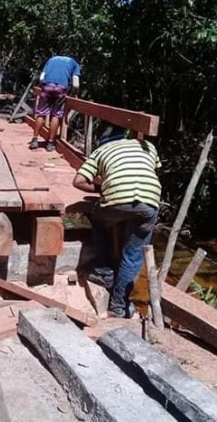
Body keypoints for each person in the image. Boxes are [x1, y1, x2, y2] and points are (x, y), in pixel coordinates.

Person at [72, 128, 161, 318]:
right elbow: (151, 170)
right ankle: (118, 307)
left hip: (116, 201)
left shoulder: (101, 151)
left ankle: (104, 272)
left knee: (98, 221)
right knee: (133, 255)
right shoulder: (147, 146)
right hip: (149, 201)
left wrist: (101, 187)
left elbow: (78, 181)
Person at [29, 55, 81, 152]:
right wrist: (72, 94)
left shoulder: (51, 59)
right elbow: (75, 84)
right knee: (56, 115)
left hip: (47, 86)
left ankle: (34, 140)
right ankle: (50, 143)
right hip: (60, 89)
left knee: (41, 114)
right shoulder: (75, 64)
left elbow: (41, 78)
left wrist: (43, 87)